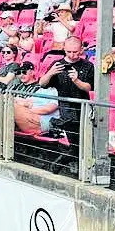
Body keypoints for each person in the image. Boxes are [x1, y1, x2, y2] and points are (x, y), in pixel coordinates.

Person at [38, 37, 94, 176]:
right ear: (64, 49)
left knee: (84, 145)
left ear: (81, 50)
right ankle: (56, 168)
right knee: (75, 146)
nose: (72, 55)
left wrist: (76, 80)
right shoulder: (57, 64)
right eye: (69, 51)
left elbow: (88, 88)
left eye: (75, 52)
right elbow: (42, 84)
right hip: (66, 110)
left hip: (83, 109)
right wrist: (51, 73)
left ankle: (64, 170)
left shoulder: (88, 65)